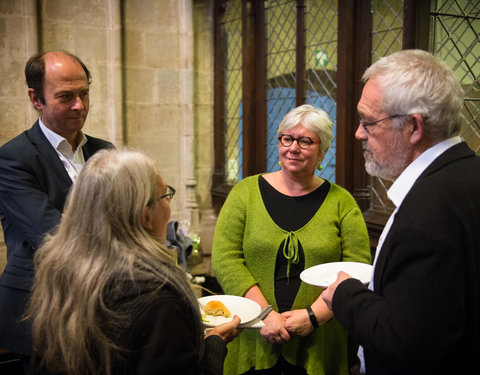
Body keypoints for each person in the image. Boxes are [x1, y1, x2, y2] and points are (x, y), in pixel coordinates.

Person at [321, 49, 480, 375]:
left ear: (413, 127)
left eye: (368, 121)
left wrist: (345, 295)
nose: (358, 133)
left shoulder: (428, 211)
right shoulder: (467, 173)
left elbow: (406, 344)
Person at [27, 149, 241, 374]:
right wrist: (214, 343)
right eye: (165, 195)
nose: (169, 205)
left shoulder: (62, 270)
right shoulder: (157, 295)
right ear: (145, 216)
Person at [212, 104, 371, 375]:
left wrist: (313, 317)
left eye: (305, 141)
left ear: (322, 150)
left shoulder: (342, 202)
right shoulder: (245, 193)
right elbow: (225, 258)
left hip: (321, 339)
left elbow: (356, 269)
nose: (293, 148)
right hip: (253, 333)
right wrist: (265, 315)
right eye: (287, 138)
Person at [0, 51, 114, 367]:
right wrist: (98, 224)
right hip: (41, 311)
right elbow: (52, 234)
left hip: (101, 308)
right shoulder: (13, 158)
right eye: (65, 97)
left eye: (84, 94)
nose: (79, 105)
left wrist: (74, 220)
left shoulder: (104, 152)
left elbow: (127, 221)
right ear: (35, 98)